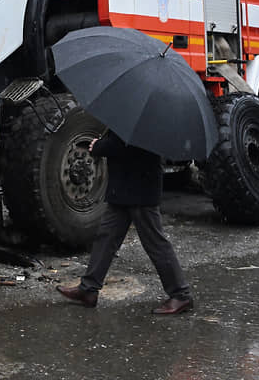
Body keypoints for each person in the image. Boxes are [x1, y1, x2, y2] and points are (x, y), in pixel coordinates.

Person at [55, 130, 193, 314]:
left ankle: (181, 295)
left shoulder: (143, 116)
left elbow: (126, 145)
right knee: (106, 239)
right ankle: (88, 289)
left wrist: (99, 146)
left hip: (139, 189)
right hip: (124, 188)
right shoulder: (137, 111)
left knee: (155, 243)